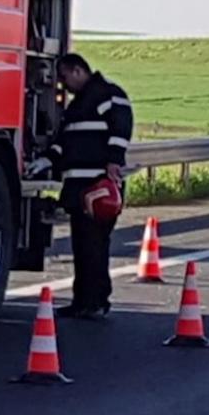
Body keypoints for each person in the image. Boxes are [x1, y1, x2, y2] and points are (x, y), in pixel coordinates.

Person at [40, 53, 134, 320]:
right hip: (78, 188)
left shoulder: (108, 95)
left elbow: (121, 127)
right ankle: (82, 301)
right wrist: (47, 159)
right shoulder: (77, 106)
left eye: (64, 77)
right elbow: (64, 142)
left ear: (78, 71)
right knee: (82, 247)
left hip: (98, 187)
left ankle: (96, 301)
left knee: (94, 246)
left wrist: (114, 160)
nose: (63, 84)